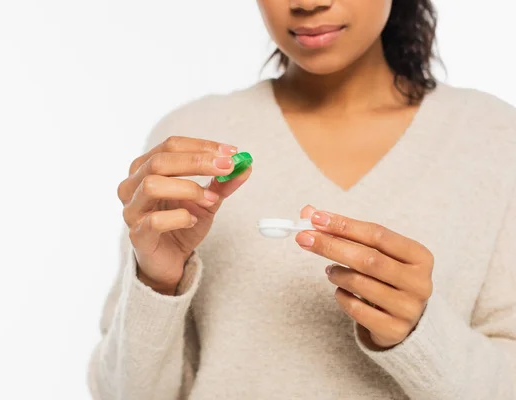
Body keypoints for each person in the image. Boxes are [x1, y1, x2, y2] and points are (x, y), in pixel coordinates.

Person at [87, 1, 516, 399]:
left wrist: (420, 338)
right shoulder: (190, 138)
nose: (307, 2)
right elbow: (122, 392)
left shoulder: (494, 139)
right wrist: (157, 282)